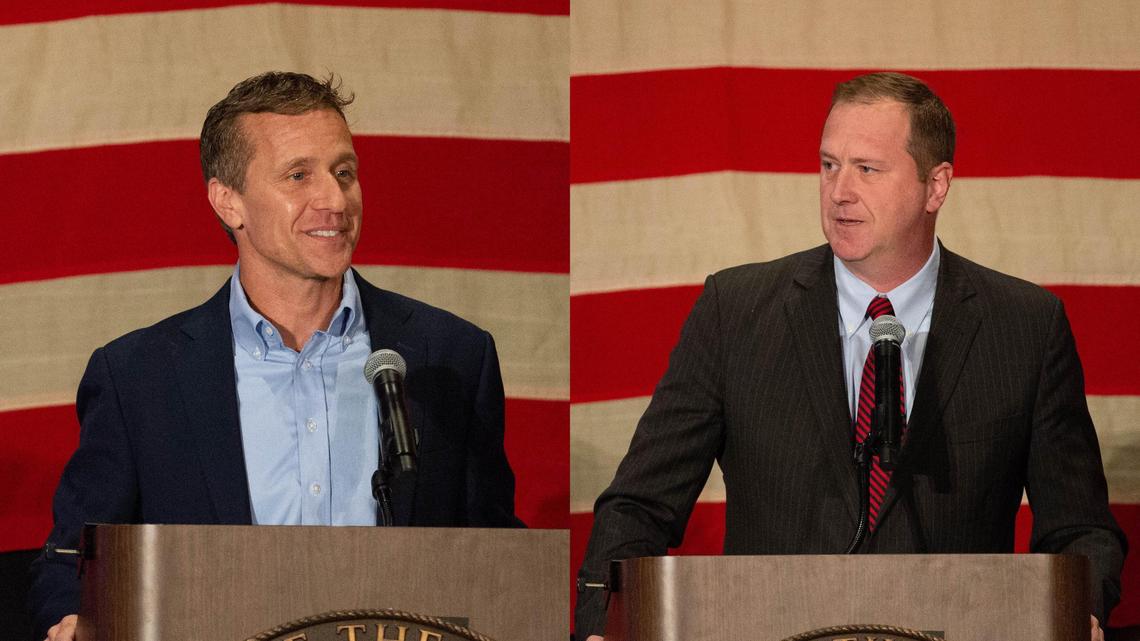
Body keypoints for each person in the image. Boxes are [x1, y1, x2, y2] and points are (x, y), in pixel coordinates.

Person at [574, 72, 1125, 641]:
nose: (839, 191)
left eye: (867, 168)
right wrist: (601, 624)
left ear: (936, 186)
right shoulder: (733, 313)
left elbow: (1080, 531)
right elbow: (638, 507)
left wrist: (1078, 612)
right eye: (828, 164)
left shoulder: (1025, 328)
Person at [31, 71, 523, 641]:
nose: (335, 201)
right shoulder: (139, 378)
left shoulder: (453, 357)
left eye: (344, 173)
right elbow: (72, 560)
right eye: (298, 176)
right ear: (228, 200)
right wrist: (70, 622)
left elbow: (497, 559)